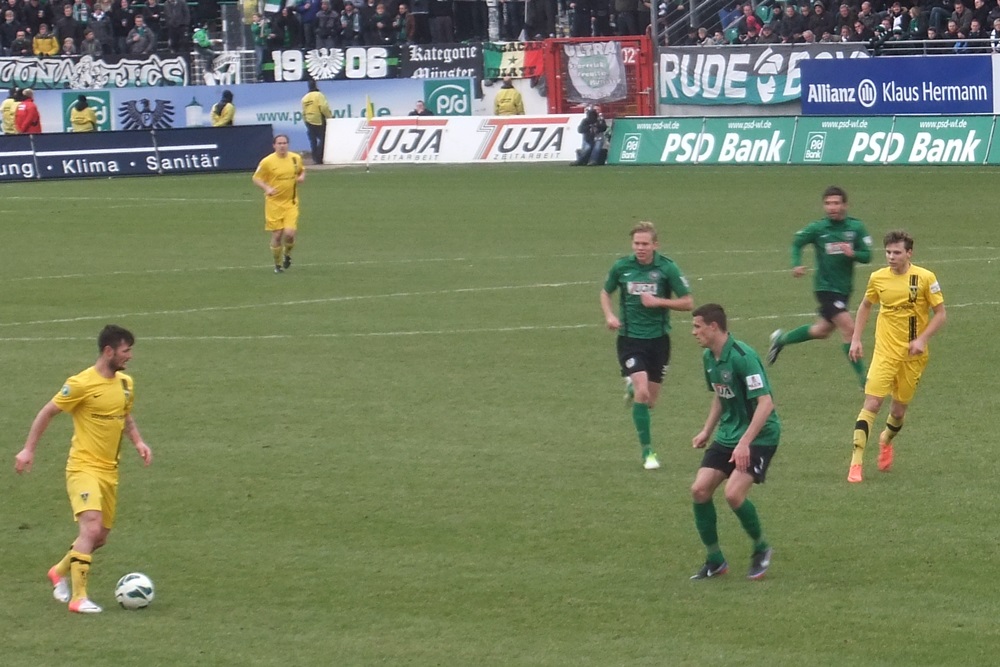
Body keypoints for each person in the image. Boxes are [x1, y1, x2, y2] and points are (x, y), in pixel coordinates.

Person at [14, 325, 153, 614]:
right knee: (90, 527)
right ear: (108, 351)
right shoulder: (80, 384)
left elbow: (125, 416)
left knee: (99, 537)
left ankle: (58, 571)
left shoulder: (125, 383)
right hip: (83, 467)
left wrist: (139, 441)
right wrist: (28, 449)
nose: (130, 356)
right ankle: (78, 598)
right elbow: (47, 412)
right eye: (126, 351)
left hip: (109, 471)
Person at [846, 230, 946, 483]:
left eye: (897, 252)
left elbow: (941, 314)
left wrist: (922, 339)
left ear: (909, 253)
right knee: (872, 403)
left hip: (912, 356)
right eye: (888, 252)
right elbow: (866, 305)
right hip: (885, 352)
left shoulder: (925, 278)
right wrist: (856, 338)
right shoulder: (878, 278)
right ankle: (856, 463)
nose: (891, 257)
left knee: (898, 411)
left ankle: (886, 440)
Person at [689, 303, 780, 580]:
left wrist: (745, 443)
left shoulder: (743, 357)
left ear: (713, 327)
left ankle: (761, 548)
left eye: (697, 326)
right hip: (728, 434)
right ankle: (715, 560)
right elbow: (721, 394)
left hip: (760, 435)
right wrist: (706, 430)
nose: (694, 332)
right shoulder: (709, 357)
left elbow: (765, 404)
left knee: (733, 494)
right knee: (699, 490)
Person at [600, 221, 693, 470]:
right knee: (643, 393)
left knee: (649, 401)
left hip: (659, 341)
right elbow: (605, 292)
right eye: (636, 243)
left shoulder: (667, 268)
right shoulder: (622, 267)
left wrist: (659, 302)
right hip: (630, 340)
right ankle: (648, 452)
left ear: (655, 245)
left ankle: (632, 387)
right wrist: (609, 316)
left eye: (645, 244)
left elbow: (688, 302)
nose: (640, 248)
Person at [767, 186, 872, 389]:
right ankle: (864, 381)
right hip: (825, 288)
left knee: (822, 331)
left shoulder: (856, 228)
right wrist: (796, 264)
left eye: (836, 203)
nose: (832, 207)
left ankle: (781, 339)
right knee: (849, 329)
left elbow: (868, 256)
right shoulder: (818, 228)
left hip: (844, 289)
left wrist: (854, 254)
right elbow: (797, 243)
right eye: (828, 203)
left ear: (845, 205)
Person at [252, 135, 306, 274]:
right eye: (279, 143)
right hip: (274, 204)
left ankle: (287, 254)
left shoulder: (295, 158)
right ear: (274, 145)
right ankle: (277, 264)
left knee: (289, 234)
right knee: (277, 235)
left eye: (284, 143)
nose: (282, 146)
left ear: (288, 144)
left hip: (291, 203)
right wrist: (267, 188)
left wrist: (301, 177)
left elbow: (301, 170)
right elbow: (256, 178)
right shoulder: (267, 162)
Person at [301, 80, 332, 163]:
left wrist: (306, 121)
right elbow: (324, 107)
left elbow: (303, 112)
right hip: (318, 120)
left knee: (313, 141)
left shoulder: (305, 98)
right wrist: (329, 117)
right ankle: (320, 157)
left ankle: (315, 158)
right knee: (323, 139)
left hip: (308, 120)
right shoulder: (319, 95)